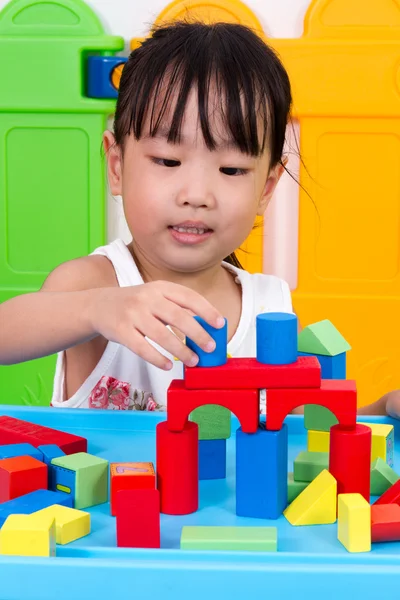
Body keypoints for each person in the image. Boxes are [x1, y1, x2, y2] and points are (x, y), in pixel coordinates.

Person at [0, 21, 398, 414]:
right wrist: (97, 309)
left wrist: (382, 410)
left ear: (266, 189)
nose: (196, 196)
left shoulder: (268, 308)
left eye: (231, 170)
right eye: (168, 160)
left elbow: (298, 428)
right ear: (117, 166)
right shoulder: (93, 284)